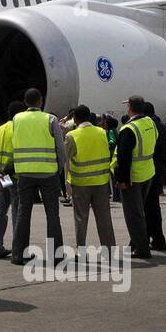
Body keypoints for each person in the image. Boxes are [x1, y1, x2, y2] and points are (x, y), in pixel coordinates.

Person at [9, 87, 67, 265]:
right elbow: (60, 147)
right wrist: (59, 168)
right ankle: (56, 255)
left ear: (25, 102)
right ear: (40, 101)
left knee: (23, 213)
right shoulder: (50, 119)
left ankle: (19, 254)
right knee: (52, 215)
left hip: (24, 173)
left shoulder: (17, 119)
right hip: (48, 173)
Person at [65, 105, 116, 252]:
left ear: (75, 118)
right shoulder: (102, 132)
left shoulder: (72, 136)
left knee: (81, 219)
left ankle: (81, 251)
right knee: (104, 219)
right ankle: (110, 251)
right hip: (101, 182)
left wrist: (67, 184)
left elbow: (66, 160)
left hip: (81, 184)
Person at [113, 96, 157, 259]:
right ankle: (136, 241)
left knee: (133, 214)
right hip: (148, 172)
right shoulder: (150, 123)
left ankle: (142, 248)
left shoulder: (128, 129)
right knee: (140, 211)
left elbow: (123, 158)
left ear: (130, 107)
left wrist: (122, 180)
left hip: (133, 176)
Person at [0, 100, 25, 259]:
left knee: (1, 210)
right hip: (15, 176)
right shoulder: (19, 129)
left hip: (3, 177)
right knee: (17, 212)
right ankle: (18, 249)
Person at [143, 101, 166, 251]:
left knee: (144, 208)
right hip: (160, 171)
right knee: (153, 207)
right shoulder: (165, 129)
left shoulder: (148, 128)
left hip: (147, 172)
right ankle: (157, 239)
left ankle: (146, 239)